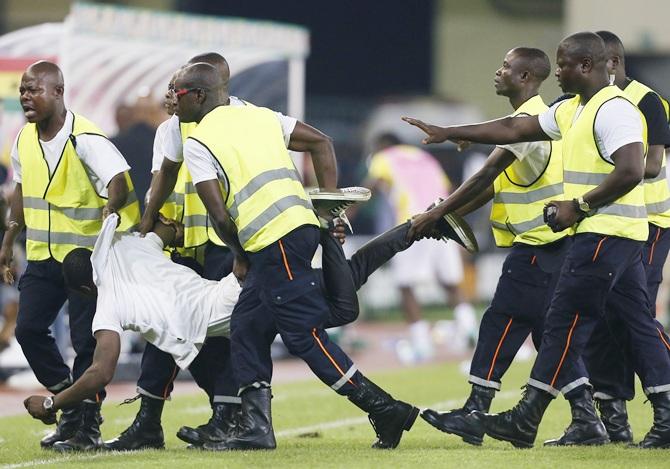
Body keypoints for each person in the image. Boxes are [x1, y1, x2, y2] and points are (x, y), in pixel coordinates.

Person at [23, 199, 477, 447]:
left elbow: (101, 372)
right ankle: (417, 226)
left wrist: (53, 403)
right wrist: (158, 223)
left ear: (84, 290)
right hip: (225, 289)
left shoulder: (106, 304)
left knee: (335, 313)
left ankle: (327, 229)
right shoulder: (127, 249)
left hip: (230, 303)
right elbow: (170, 231)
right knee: (344, 289)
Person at [404, 32, 670, 449]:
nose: (557, 71)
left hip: (603, 232)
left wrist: (578, 205)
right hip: (612, 235)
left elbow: (635, 169)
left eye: (563, 64)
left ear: (587, 66)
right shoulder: (572, 110)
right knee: (635, 326)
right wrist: (450, 131)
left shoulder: (614, 110)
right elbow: (516, 127)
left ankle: (529, 418)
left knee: (563, 323)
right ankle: (652, 418)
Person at [105, 51, 350, 451]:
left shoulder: (254, 117)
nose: (171, 97)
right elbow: (163, 178)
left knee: (234, 333)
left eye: (177, 89)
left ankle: (228, 417)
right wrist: (146, 228)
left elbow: (319, 143)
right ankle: (152, 419)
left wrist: (329, 211)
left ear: (209, 89)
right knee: (165, 326)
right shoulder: (172, 127)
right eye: (169, 89)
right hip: (191, 244)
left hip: (235, 243)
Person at [175, 61, 421, 451]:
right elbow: (322, 142)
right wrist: (330, 210)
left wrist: (238, 254)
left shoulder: (198, 141)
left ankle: (386, 408)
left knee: (303, 335)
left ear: (199, 96)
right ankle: (254, 425)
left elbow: (218, 213)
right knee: (247, 326)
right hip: (299, 229)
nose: (173, 100)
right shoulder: (258, 115)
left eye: (178, 92)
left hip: (272, 241)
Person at [413, 47, 603, 447]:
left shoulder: (527, 122)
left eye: (505, 67)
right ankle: (588, 419)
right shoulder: (532, 122)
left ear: (525, 78)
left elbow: (485, 175)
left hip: (538, 246)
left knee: (500, 321)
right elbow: (492, 186)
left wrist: (437, 213)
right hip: (553, 246)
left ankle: (474, 410)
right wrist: (446, 215)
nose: (497, 72)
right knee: (544, 334)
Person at [0, 61, 140, 452]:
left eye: (34, 90)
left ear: (58, 92)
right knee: (28, 330)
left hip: (85, 259)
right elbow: (20, 191)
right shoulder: (23, 140)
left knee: (85, 343)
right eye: (23, 90)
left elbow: (119, 181)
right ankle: (72, 409)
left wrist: (111, 209)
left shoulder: (87, 138)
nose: (26, 97)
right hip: (43, 256)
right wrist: (9, 240)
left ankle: (87, 428)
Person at [580, 30, 670, 446]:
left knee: (635, 316)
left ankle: (664, 409)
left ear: (610, 63)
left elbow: (649, 165)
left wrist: (609, 173)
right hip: (609, 222)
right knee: (601, 316)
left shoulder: (648, 101)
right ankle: (612, 420)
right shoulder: (590, 104)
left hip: (650, 221)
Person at [366, 133, 476, 361]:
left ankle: (421, 344)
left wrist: (348, 210)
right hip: (443, 221)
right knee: (451, 282)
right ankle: (469, 329)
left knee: (406, 286)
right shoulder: (426, 158)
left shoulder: (384, 157)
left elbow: (373, 186)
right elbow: (449, 188)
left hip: (413, 222)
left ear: (382, 145)